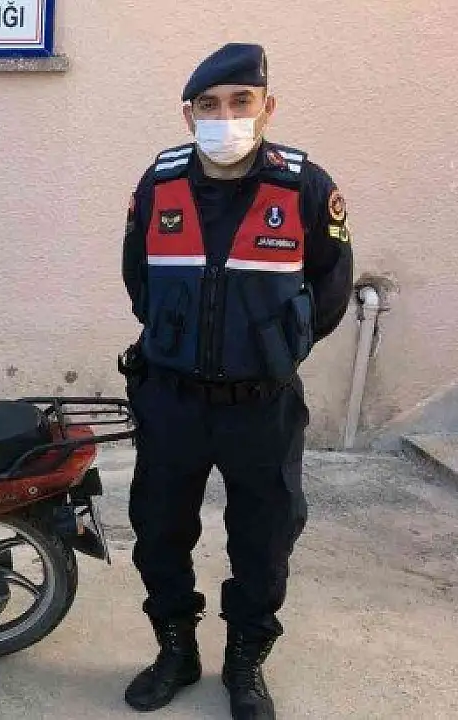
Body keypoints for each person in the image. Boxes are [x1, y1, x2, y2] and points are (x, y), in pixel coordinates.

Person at [118, 43, 354, 719]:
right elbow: (139, 280)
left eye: (240, 102)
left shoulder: (305, 187)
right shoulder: (159, 183)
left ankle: (245, 662)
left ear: (267, 107)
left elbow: (331, 287)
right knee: (160, 532)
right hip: (172, 400)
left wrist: (274, 349)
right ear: (189, 115)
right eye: (210, 106)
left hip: (261, 405)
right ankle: (176, 652)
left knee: (264, 540)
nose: (226, 118)